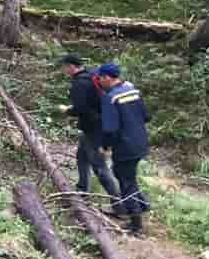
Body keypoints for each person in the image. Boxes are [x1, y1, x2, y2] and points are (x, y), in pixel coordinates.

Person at [57, 54, 122, 212]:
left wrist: (67, 110)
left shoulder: (80, 83)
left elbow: (81, 108)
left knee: (100, 168)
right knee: (82, 158)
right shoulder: (92, 76)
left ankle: (119, 205)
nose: (64, 70)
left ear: (71, 66)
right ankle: (82, 191)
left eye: (65, 67)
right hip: (94, 127)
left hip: (95, 130)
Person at [95, 63, 152, 236]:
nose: (98, 81)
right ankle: (143, 204)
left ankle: (136, 225)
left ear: (107, 78)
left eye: (100, 78)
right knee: (127, 176)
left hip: (125, 147)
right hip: (140, 142)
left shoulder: (110, 98)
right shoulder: (133, 91)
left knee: (125, 181)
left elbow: (110, 129)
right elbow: (146, 116)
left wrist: (105, 147)